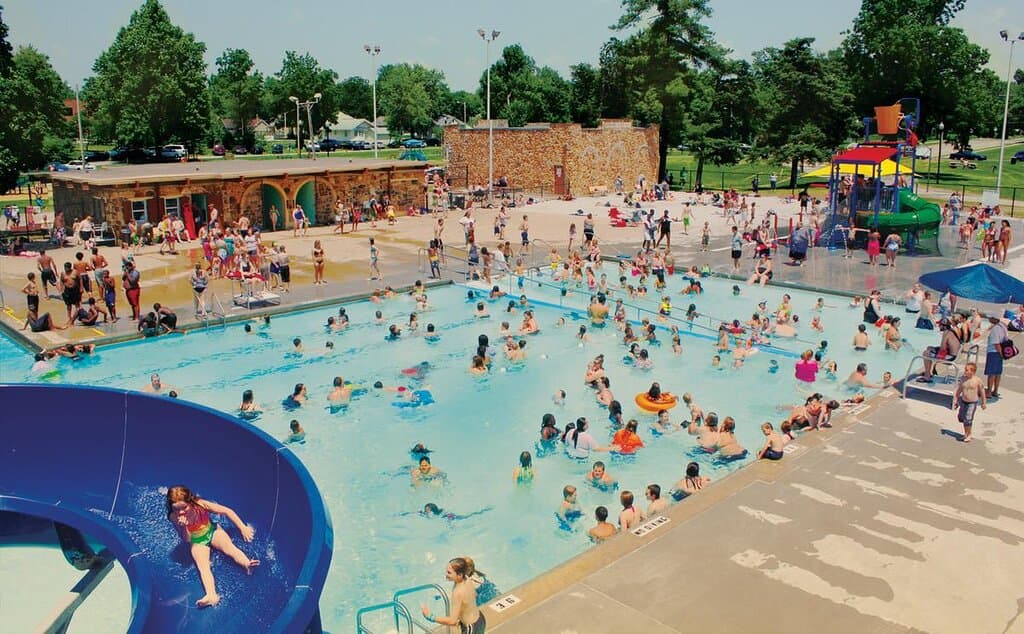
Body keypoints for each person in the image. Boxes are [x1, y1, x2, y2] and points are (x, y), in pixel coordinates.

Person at [165, 485, 260, 608]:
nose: (181, 512)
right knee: (203, 567)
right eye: (177, 509)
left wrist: (242, 528)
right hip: (197, 540)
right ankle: (211, 595)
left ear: (191, 501)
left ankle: (247, 564)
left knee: (229, 548)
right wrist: (183, 526)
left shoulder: (201, 504)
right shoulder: (174, 517)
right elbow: (186, 539)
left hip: (212, 531)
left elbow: (227, 511)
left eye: (184, 507)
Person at [953, 362, 986, 442]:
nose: (965, 371)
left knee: (968, 419)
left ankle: (969, 434)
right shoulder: (963, 379)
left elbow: (982, 391)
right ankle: (966, 434)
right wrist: (956, 400)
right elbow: (959, 389)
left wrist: (983, 402)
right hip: (963, 401)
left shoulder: (977, 380)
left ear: (973, 372)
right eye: (965, 369)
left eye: (967, 370)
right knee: (962, 418)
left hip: (972, 402)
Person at [984, 316, 1007, 398]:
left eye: (990, 318)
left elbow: (996, 343)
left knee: (992, 373)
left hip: (994, 352)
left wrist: (1000, 354)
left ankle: (989, 392)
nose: (989, 319)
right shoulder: (1003, 327)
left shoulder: (995, 329)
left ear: (994, 319)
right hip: (999, 353)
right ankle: (995, 391)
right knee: (998, 373)